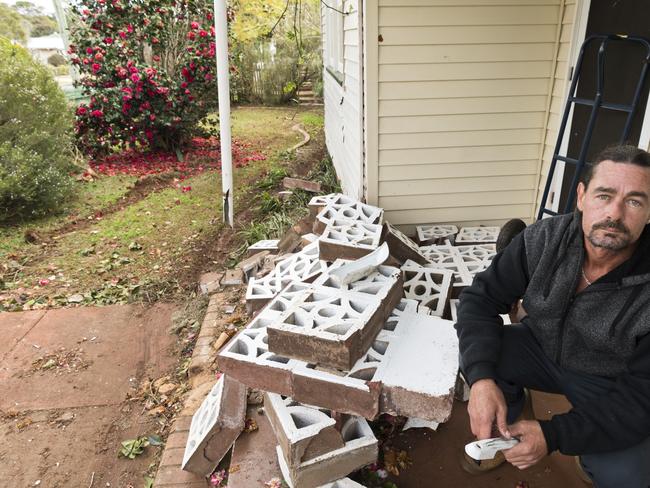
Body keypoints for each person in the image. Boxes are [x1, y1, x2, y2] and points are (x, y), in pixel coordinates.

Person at [455, 144, 650, 487]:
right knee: (481, 351)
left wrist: (555, 434)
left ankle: (590, 458)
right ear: (581, 196)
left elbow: (642, 397)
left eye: (634, 201)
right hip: (539, 349)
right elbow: (479, 300)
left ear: (649, 211)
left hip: (609, 381)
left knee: (627, 475)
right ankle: (504, 434)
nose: (615, 214)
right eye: (603, 195)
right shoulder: (543, 239)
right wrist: (482, 380)